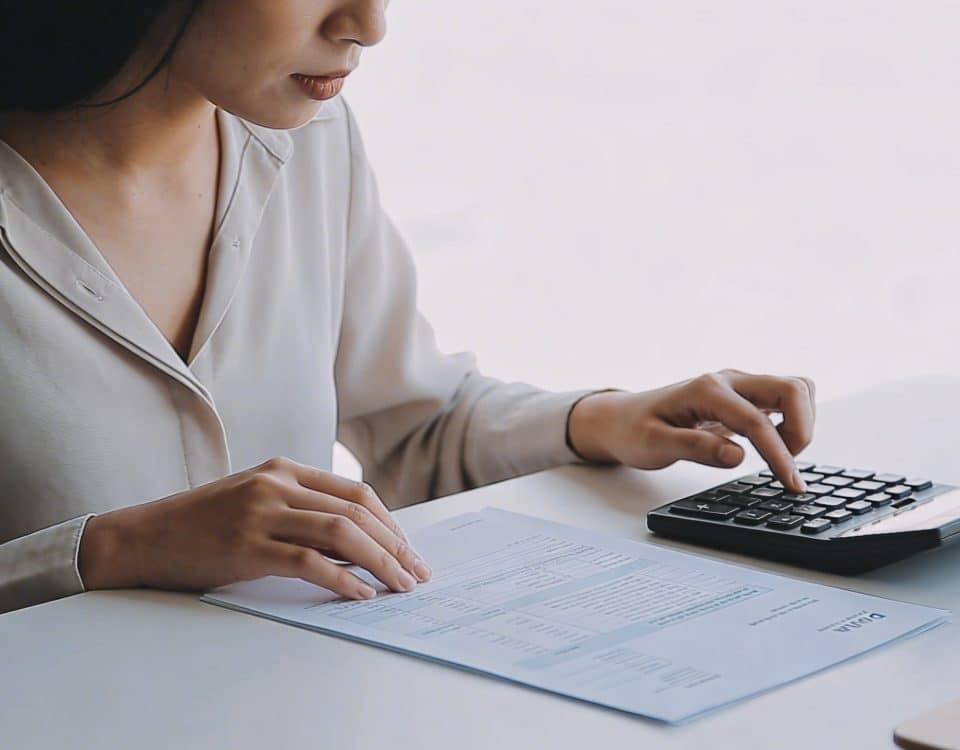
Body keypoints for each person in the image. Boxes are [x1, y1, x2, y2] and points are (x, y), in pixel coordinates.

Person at [0, 0, 815, 614]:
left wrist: (601, 420)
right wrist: (108, 549)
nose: (368, 23)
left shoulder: (313, 137)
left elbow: (413, 426)